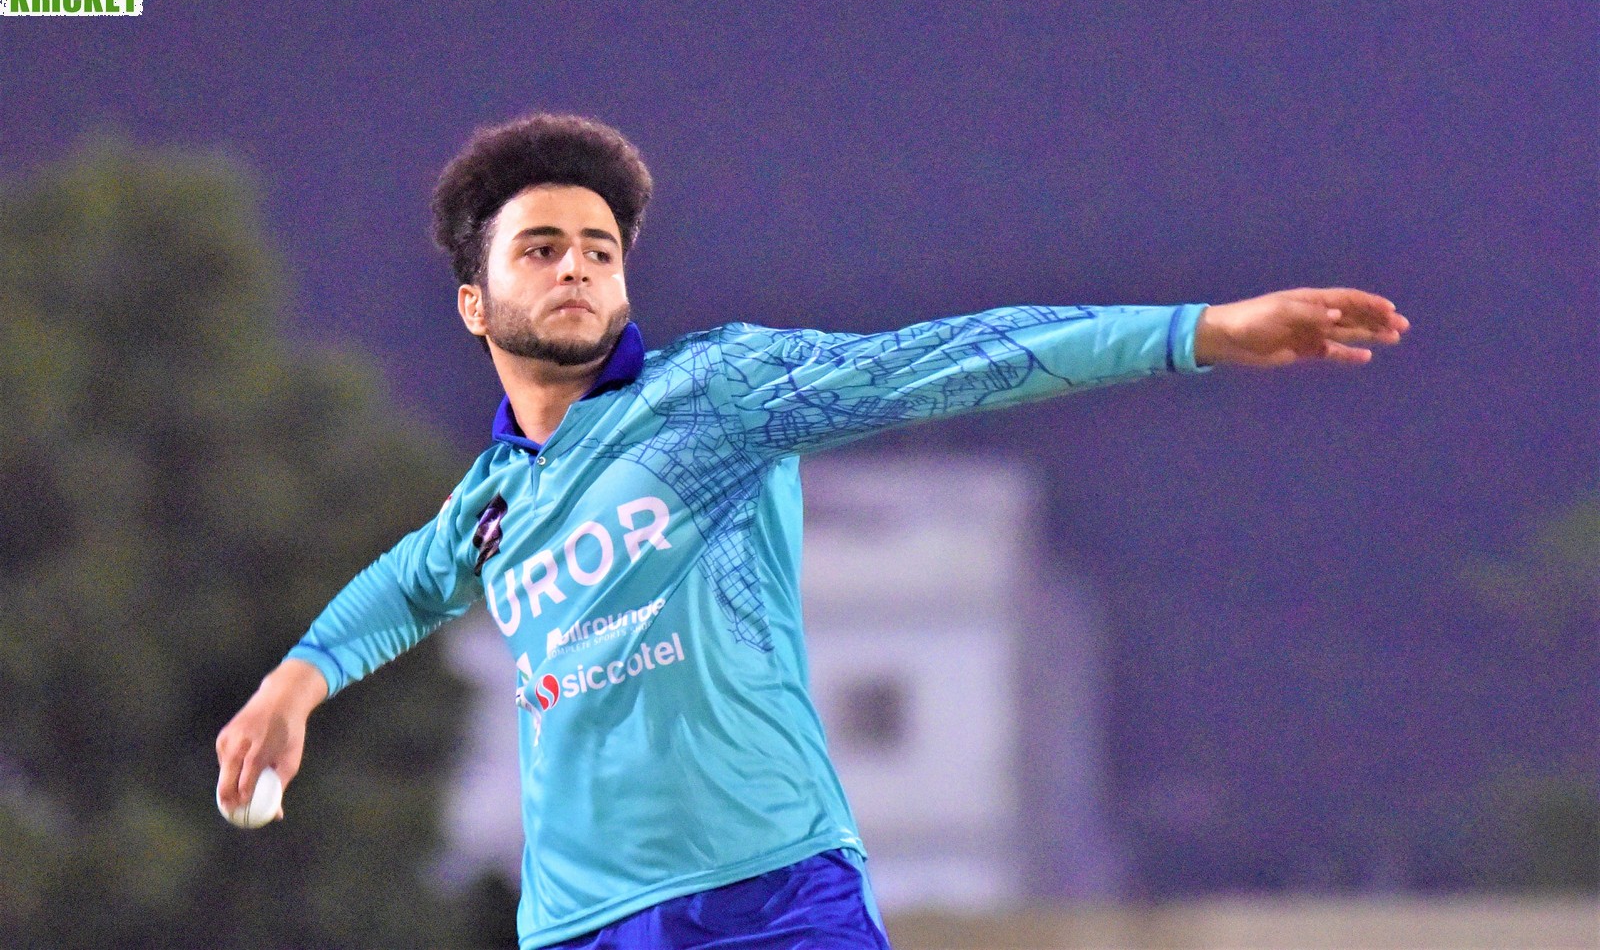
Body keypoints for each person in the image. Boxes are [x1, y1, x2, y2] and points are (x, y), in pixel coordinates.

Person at [216, 113, 1410, 949]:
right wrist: (293, 684)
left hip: (770, 895)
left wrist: (1196, 330)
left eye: (600, 249)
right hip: (580, 925)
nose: (577, 267)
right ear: (475, 303)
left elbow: (938, 362)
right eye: (541, 249)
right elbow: (406, 586)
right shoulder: (492, 499)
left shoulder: (716, 393)